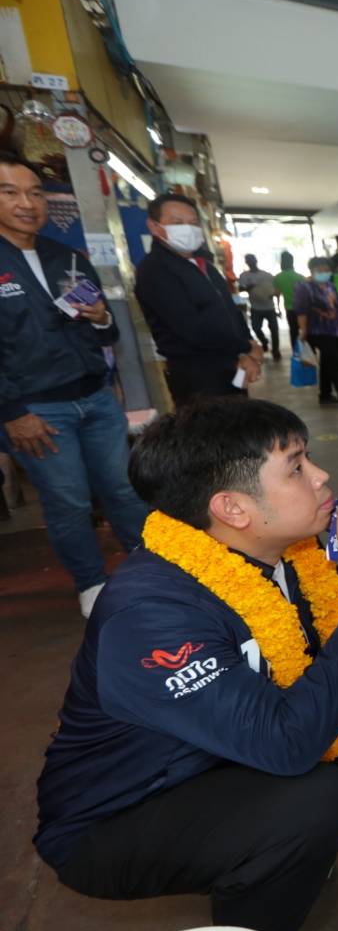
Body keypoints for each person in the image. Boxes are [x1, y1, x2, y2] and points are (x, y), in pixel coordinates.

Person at [32, 398, 338, 931]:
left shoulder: (286, 551)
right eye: (295, 466)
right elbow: (288, 744)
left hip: (228, 747)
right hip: (122, 813)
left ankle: (272, 851)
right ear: (233, 509)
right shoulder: (150, 615)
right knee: (310, 799)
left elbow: (327, 651)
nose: (321, 476)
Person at [0, 154, 147, 617]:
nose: (27, 203)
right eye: (10, 192)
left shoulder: (66, 256)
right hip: (37, 411)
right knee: (69, 503)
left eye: (35, 192)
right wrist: (11, 414)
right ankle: (91, 584)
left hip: (95, 398)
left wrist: (103, 320)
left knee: (124, 490)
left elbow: (104, 332)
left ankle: (153, 570)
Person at [134, 193, 260, 407]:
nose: (188, 228)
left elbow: (229, 311)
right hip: (198, 374)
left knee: (237, 430)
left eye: (193, 223)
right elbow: (191, 329)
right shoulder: (155, 270)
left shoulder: (204, 266)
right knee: (210, 435)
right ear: (154, 227)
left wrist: (247, 346)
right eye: (177, 222)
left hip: (228, 364)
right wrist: (244, 348)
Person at [293, 256, 338, 407]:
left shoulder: (330, 286)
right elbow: (300, 312)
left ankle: (325, 394)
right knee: (334, 361)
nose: (324, 272)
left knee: (328, 362)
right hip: (315, 330)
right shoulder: (303, 287)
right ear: (312, 270)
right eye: (320, 270)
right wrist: (303, 331)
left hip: (333, 330)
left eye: (327, 270)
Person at [237, 254, 281, 361]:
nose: (251, 262)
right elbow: (240, 289)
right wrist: (248, 287)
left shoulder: (267, 275)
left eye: (252, 260)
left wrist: (276, 300)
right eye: (248, 261)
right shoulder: (244, 276)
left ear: (256, 261)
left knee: (274, 330)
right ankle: (264, 342)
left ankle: (275, 350)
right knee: (256, 328)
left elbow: (276, 289)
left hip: (269, 307)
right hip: (256, 307)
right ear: (246, 263)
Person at [272, 251, 305, 355]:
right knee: (304, 330)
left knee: (293, 331)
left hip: (289, 309)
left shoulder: (278, 277)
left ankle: (296, 351)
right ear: (292, 261)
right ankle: (306, 351)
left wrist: (278, 308)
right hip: (302, 308)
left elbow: (277, 294)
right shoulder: (300, 277)